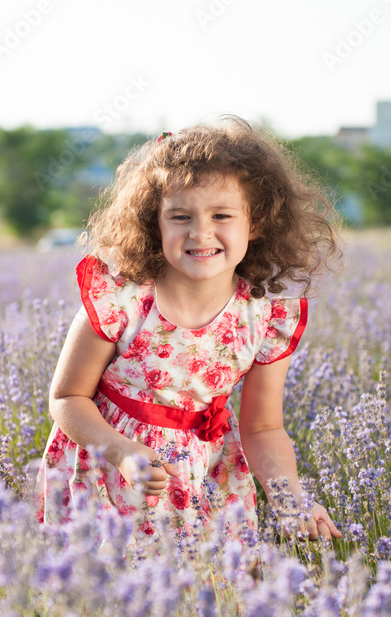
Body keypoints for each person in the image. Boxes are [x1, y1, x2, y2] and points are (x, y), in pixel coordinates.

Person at [36, 116, 344, 546]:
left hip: (208, 482)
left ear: (254, 223)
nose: (201, 233)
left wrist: (290, 501)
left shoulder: (264, 320)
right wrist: (119, 451)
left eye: (222, 215)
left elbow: (263, 430)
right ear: (154, 224)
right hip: (109, 476)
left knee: (208, 602)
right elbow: (67, 399)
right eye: (180, 217)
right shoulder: (122, 302)